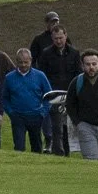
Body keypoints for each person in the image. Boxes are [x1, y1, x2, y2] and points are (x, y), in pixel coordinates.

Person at [34, 25, 83, 156]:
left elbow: (79, 75)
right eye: (56, 38)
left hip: (70, 96)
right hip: (54, 95)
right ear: (52, 38)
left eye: (61, 38)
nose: (59, 41)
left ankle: (66, 154)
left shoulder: (75, 53)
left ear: (66, 36)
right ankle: (58, 153)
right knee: (57, 127)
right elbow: (42, 75)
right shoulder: (46, 54)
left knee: (67, 127)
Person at [0, 48, 52, 153]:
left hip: (36, 116)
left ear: (31, 60)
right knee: (19, 147)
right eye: (20, 62)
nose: (23, 65)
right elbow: (4, 98)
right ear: (16, 61)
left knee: (37, 147)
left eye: (26, 62)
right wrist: (11, 112)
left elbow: (49, 96)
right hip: (18, 117)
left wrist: (43, 112)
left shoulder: (40, 76)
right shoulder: (9, 78)